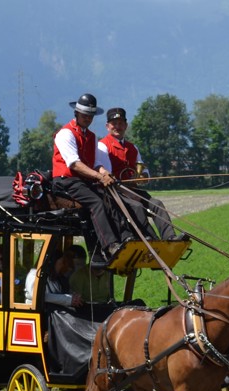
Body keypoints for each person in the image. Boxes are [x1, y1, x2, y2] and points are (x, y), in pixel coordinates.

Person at [52, 93, 144, 264]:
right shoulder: (65, 134)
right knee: (97, 203)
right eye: (84, 114)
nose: (87, 118)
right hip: (66, 180)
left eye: (90, 115)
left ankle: (126, 237)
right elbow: (74, 164)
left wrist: (104, 173)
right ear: (77, 113)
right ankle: (110, 245)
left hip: (83, 180)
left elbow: (95, 164)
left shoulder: (92, 137)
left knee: (111, 198)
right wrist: (99, 177)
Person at [98, 107, 180, 240]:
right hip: (115, 193)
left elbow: (142, 169)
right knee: (137, 206)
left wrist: (143, 177)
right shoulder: (102, 146)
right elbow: (107, 176)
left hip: (133, 190)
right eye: (114, 124)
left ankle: (170, 237)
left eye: (121, 123)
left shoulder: (133, 147)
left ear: (126, 125)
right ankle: (149, 239)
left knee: (157, 204)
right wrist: (128, 192)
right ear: (107, 126)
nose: (117, 127)